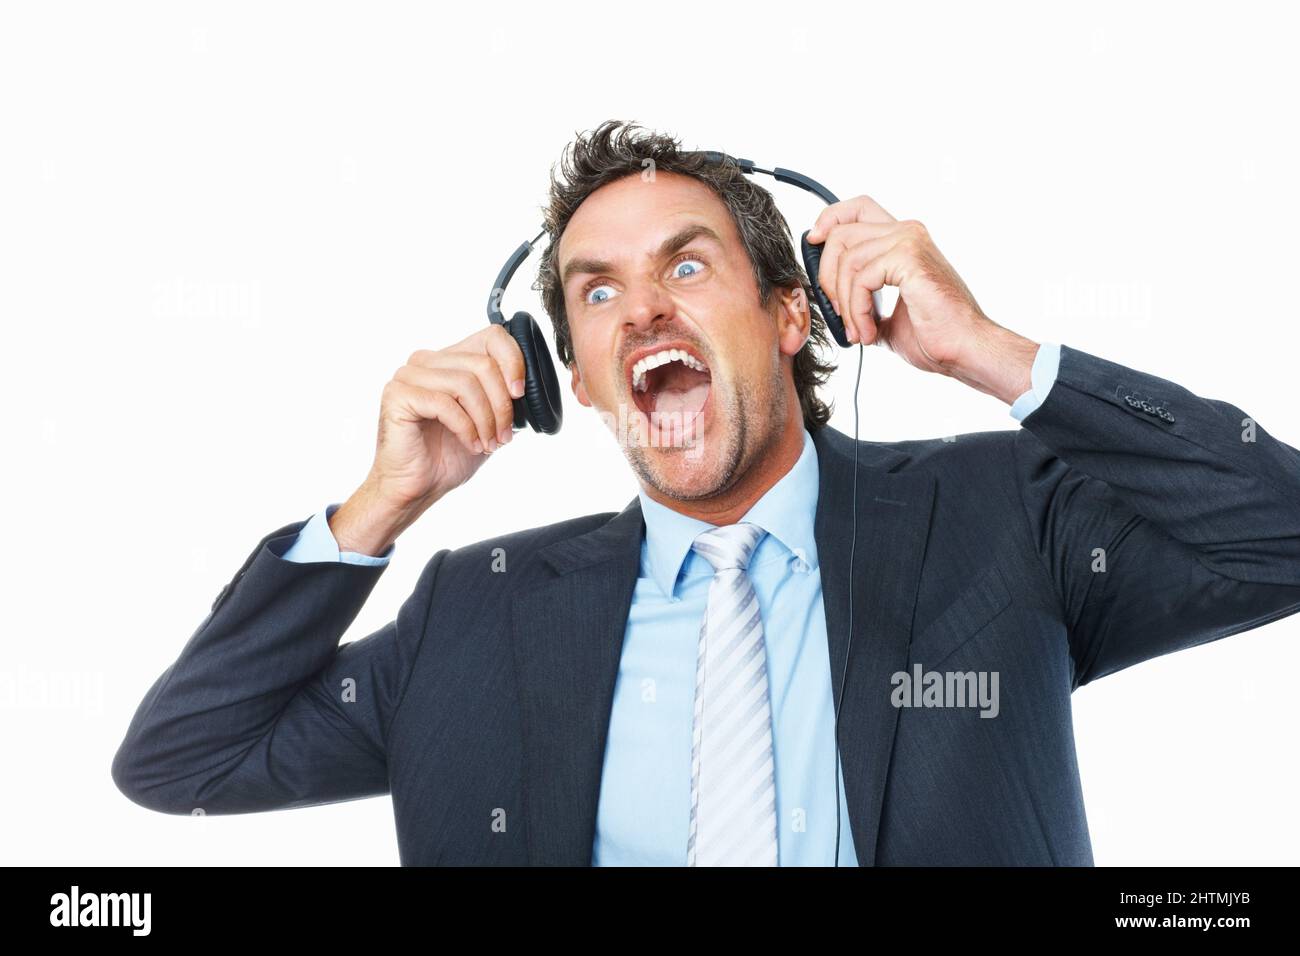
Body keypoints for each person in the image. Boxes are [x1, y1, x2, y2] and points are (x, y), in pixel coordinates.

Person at [112, 120, 1300, 865]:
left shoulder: (1004, 518)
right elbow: (181, 761)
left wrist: (988, 351)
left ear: (797, 313)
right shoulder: (476, 608)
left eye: (686, 263)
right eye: (595, 292)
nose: (643, 312)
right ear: (566, 378)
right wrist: (379, 503)